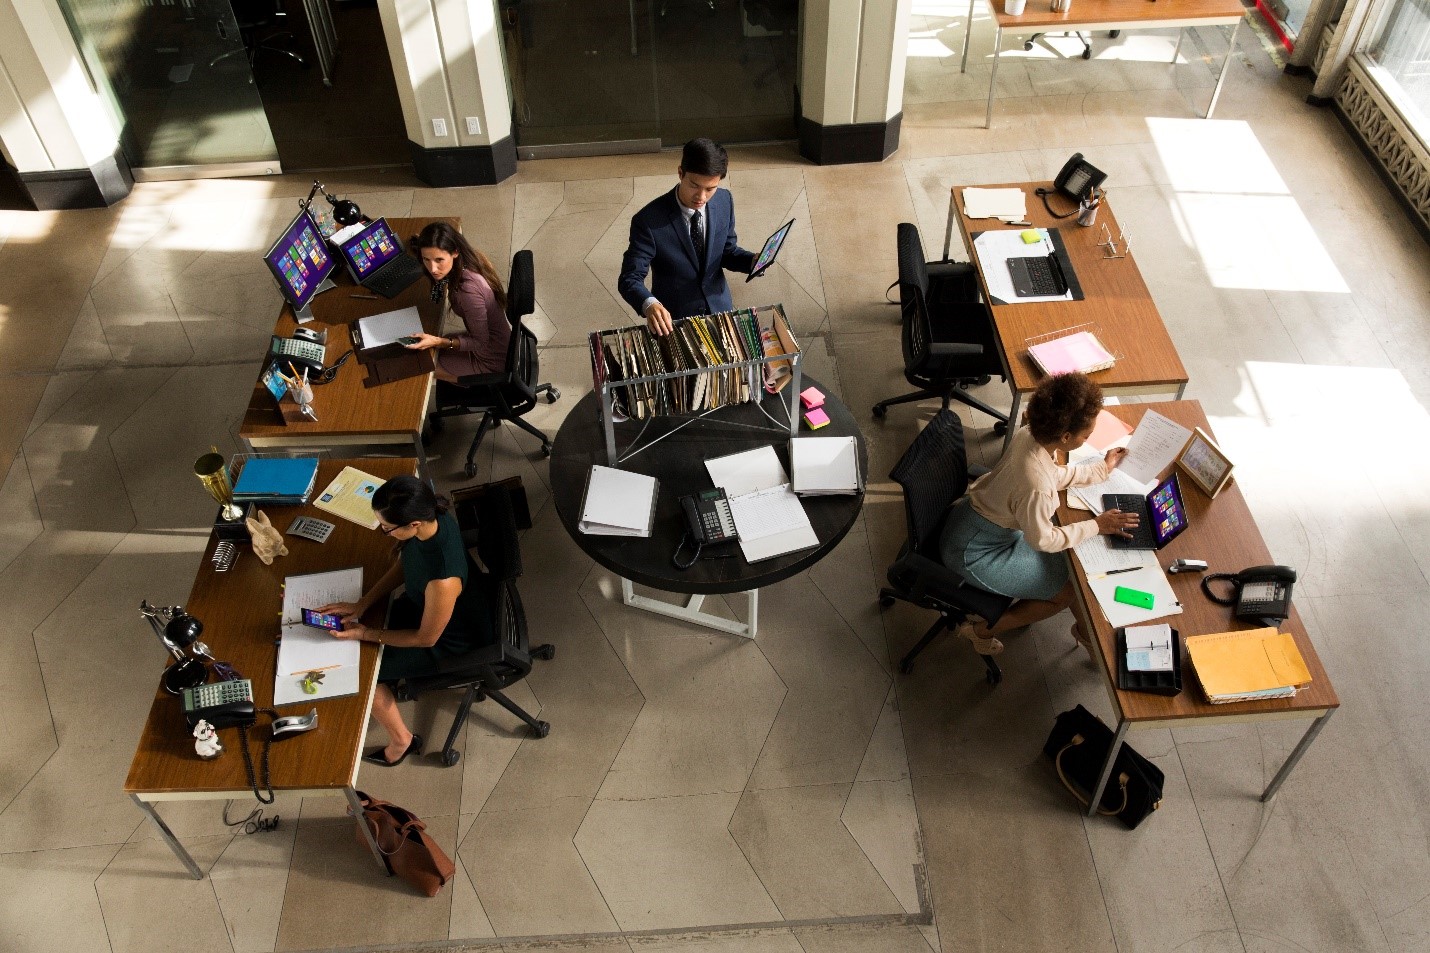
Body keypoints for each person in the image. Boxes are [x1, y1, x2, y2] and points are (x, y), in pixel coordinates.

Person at [939, 372, 1141, 656]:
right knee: (1066, 592)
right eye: (1088, 434)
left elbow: (1050, 473)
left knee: (1070, 568)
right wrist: (1097, 525)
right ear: (1066, 436)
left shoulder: (1029, 433)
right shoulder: (1036, 489)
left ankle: (1083, 632)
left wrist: (1101, 469)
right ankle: (981, 630)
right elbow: (1043, 540)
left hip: (975, 520)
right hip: (974, 552)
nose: (1090, 438)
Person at [317, 476, 493, 766]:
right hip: (425, 609)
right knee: (361, 639)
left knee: (362, 673)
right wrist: (363, 602)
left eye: (387, 528)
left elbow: (426, 639)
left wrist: (367, 634)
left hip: (448, 640)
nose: (384, 532)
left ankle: (402, 741)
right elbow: (407, 565)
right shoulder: (432, 519)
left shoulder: (443, 581)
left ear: (412, 524)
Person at [618, 137, 757, 336]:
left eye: (710, 189)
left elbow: (727, 251)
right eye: (694, 185)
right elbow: (630, 278)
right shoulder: (648, 221)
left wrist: (753, 261)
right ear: (680, 173)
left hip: (720, 313)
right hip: (675, 323)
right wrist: (649, 305)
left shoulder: (724, 201)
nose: (701, 197)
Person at [402, 222, 511, 381]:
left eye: (439, 259)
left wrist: (439, 341)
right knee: (431, 349)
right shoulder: (467, 260)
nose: (433, 269)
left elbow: (480, 343)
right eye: (426, 259)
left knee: (420, 367)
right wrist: (426, 247)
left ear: (454, 252)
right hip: (496, 340)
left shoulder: (468, 292)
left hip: (491, 359)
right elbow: (434, 278)